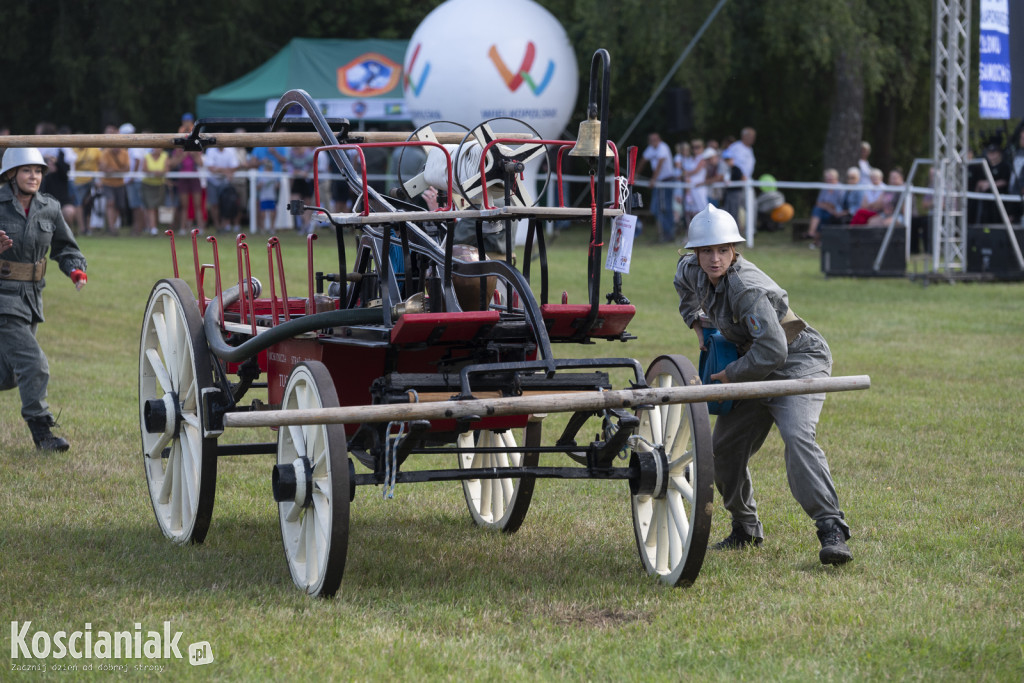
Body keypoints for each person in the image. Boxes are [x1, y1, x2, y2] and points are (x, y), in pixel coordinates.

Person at [673, 204, 852, 565]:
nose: (714, 258)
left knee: (798, 436)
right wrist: (699, 327)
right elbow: (684, 286)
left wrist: (730, 375)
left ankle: (831, 528)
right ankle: (745, 528)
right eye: (706, 250)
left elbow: (773, 349)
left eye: (723, 250)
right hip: (754, 360)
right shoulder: (690, 269)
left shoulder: (746, 289)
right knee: (722, 451)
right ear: (695, 252)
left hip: (797, 361)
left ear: (734, 250)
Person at [0, 148, 88, 451]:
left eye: (37, 171)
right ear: (11, 175)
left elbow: (66, 248)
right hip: (2, 299)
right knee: (34, 364)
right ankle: (43, 433)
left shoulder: (50, 208)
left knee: (9, 374)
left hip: (32, 298)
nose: (33, 176)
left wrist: (76, 270)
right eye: (26, 170)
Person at [639, 132, 677, 243]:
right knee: (656, 208)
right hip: (659, 183)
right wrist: (634, 174)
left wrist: (653, 179)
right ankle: (666, 233)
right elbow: (643, 161)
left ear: (659, 139)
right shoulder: (651, 148)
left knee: (665, 208)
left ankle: (669, 234)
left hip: (666, 182)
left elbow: (660, 164)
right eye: (651, 140)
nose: (653, 142)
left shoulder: (663, 147)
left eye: (655, 139)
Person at [98, 124, 130, 234]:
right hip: (107, 183)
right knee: (111, 203)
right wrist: (117, 170)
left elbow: (127, 168)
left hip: (119, 183)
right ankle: (111, 227)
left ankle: (112, 226)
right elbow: (103, 168)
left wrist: (114, 170)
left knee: (119, 206)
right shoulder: (105, 152)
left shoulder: (124, 153)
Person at [805, 168, 845, 246]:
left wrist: (827, 206)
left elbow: (836, 205)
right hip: (825, 210)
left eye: (830, 179)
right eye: (827, 179)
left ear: (836, 178)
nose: (828, 181)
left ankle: (813, 236)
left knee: (821, 216)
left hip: (836, 212)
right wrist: (827, 206)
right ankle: (812, 234)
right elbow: (818, 203)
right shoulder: (824, 188)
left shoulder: (840, 188)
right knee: (817, 211)